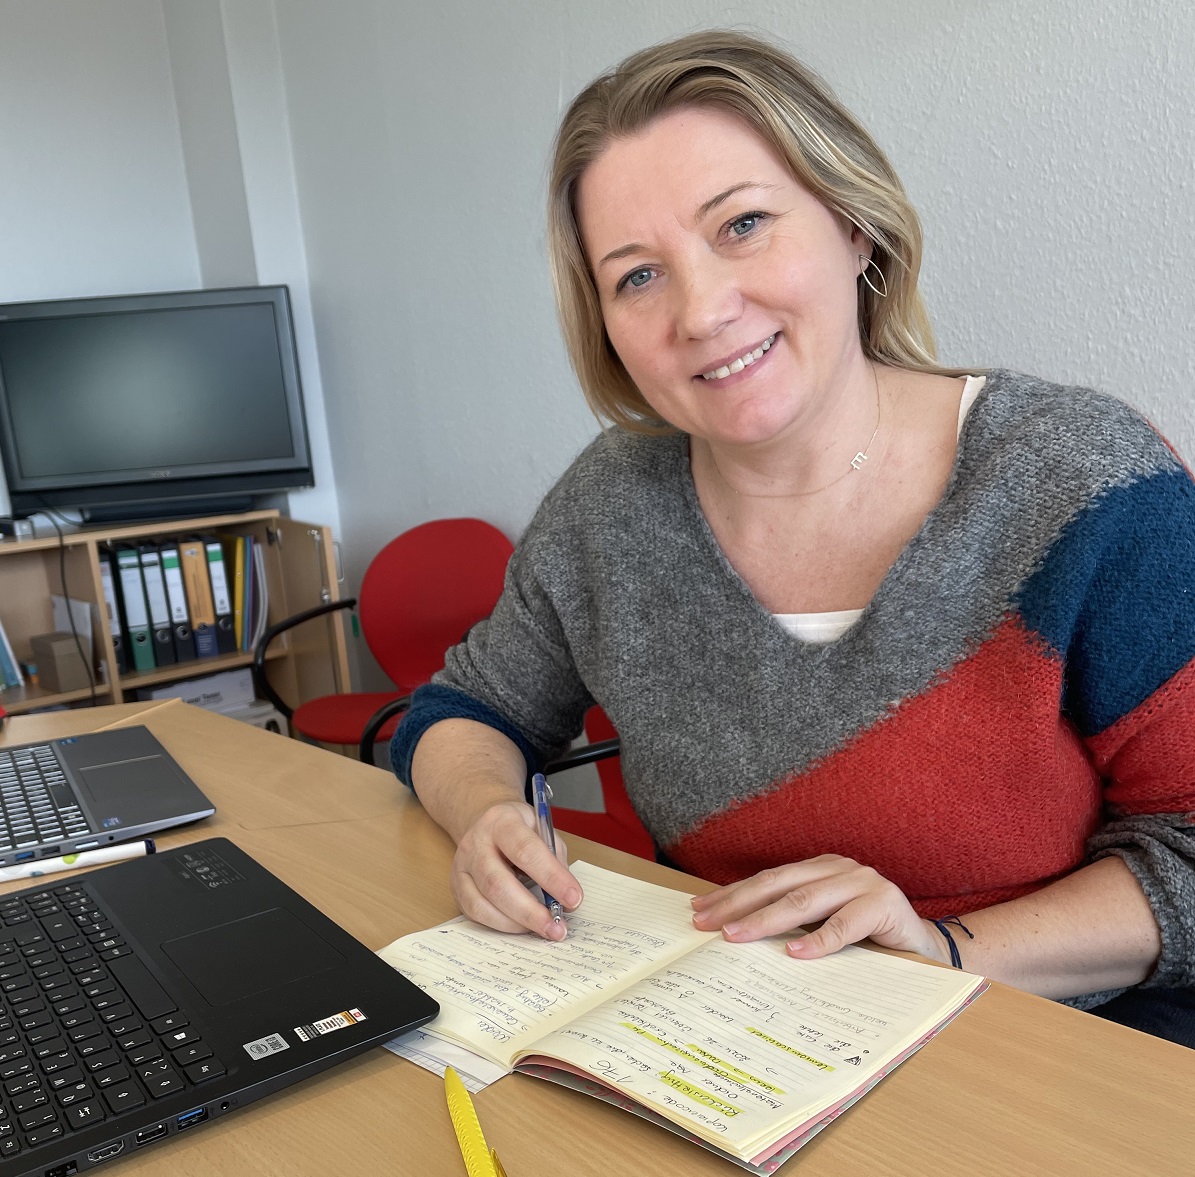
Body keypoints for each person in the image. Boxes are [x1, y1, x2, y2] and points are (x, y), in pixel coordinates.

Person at [391, 30, 1195, 1046]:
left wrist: (940, 950)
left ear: (853, 227)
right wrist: (484, 814)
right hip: (743, 1044)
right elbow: (465, 710)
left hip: (1062, 1044)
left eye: (742, 225)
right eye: (637, 276)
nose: (701, 311)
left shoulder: (1080, 479)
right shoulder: (607, 508)